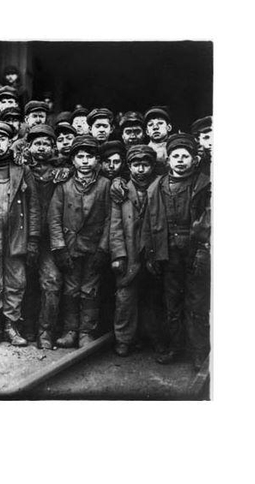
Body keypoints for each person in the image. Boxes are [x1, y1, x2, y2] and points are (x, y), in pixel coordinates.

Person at [143, 133, 211, 370]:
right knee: (171, 301)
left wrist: (201, 247)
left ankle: (199, 352)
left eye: (185, 156)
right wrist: (152, 253)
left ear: (194, 159)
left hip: (194, 250)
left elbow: (208, 219)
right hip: (167, 250)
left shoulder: (204, 185)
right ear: (168, 160)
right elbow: (149, 223)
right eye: (175, 156)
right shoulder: (157, 186)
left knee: (197, 301)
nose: (180, 160)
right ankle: (175, 347)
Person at [0, 121, 40, 347]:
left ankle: (12, 325)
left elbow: (33, 207)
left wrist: (32, 239)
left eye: (2, 139)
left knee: (16, 279)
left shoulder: (22, 170)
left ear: (10, 141)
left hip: (16, 235)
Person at [48, 135, 111, 348]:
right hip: (70, 247)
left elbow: (111, 219)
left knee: (90, 290)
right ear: (73, 160)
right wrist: (59, 247)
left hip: (93, 248)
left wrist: (103, 249)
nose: (85, 161)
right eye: (80, 157)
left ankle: (87, 331)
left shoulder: (105, 185)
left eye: (89, 157)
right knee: (71, 289)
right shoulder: (63, 185)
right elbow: (54, 218)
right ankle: (70, 330)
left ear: (97, 161)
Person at [110, 145, 165, 357]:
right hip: (130, 253)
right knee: (125, 297)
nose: (140, 169)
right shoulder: (121, 190)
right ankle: (124, 340)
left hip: (152, 250)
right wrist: (118, 255)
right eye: (135, 165)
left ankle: (156, 339)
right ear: (129, 166)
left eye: (145, 164)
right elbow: (115, 226)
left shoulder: (161, 186)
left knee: (154, 297)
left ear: (152, 166)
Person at [20, 124, 70, 348]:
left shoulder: (62, 172)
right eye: (37, 144)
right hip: (21, 237)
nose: (41, 148)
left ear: (53, 147)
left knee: (51, 282)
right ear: (29, 146)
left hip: (50, 239)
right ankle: (27, 326)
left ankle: (45, 332)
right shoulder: (20, 168)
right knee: (24, 283)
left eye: (46, 144)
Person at [144, 106, 173, 171]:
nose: (155, 127)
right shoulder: (144, 152)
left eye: (160, 123)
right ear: (147, 132)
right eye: (150, 125)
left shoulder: (176, 147)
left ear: (169, 127)